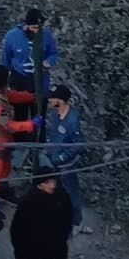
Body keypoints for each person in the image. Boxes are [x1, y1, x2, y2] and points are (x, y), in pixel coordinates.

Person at [0, 67, 35, 197]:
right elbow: (9, 126)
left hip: (0, 139)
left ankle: (3, 191)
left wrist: (31, 97)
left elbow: (10, 95)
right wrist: (31, 124)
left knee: (4, 168)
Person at [42, 84, 84, 229]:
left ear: (60, 100)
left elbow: (79, 143)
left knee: (72, 192)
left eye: (52, 98)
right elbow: (53, 134)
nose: (50, 101)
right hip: (54, 161)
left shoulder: (72, 120)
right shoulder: (55, 115)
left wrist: (62, 157)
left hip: (66, 164)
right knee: (56, 191)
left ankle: (76, 222)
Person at [0, 11, 58, 105]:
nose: (37, 31)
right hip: (19, 79)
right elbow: (5, 59)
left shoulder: (47, 36)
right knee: (19, 110)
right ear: (27, 25)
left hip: (40, 80)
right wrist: (3, 81)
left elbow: (54, 53)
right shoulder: (12, 36)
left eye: (39, 28)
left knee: (39, 112)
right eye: (34, 28)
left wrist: (48, 62)